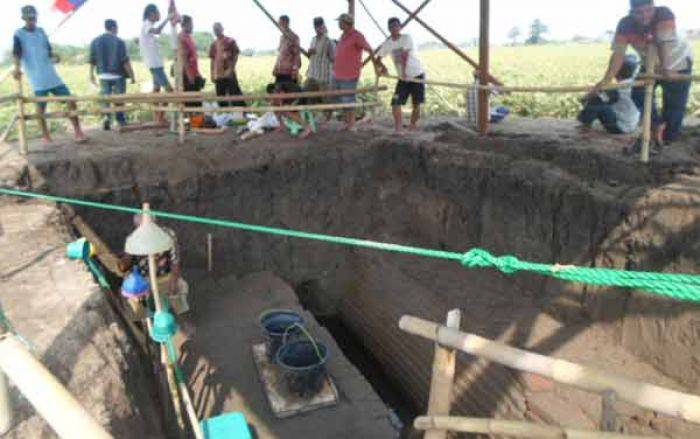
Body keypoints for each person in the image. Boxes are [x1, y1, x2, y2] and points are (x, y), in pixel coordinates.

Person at [592, 0, 693, 150]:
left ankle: (666, 143)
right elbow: (619, 54)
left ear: (654, 7)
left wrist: (667, 69)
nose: (645, 16)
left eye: (648, 11)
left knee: (674, 106)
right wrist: (606, 80)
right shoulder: (625, 24)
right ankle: (655, 127)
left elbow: (663, 44)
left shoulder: (663, 14)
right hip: (649, 64)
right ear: (631, 12)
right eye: (639, 12)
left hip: (678, 63)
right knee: (638, 93)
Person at [13, 5, 86, 143]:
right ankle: (45, 135)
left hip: (52, 76)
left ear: (36, 17)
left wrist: (55, 57)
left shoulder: (41, 32)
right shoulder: (19, 34)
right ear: (23, 18)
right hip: (37, 78)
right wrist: (17, 68)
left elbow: (48, 51)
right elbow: (17, 54)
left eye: (33, 17)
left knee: (70, 101)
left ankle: (78, 131)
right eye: (29, 18)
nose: (32, 20)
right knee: (40, 108)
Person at [376, 17, 426, 134]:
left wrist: (404, 73)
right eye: (391, 26)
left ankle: (412, 125)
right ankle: (398, 128)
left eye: (396, 26)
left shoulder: (407, 38)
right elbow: (378, 58)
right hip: (402, 78)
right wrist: (383, 67)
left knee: (416, 103)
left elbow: (404, 56)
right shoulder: (388, 43)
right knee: (395, 102)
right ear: (389, 29)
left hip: (416, 74)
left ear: (400, 27)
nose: (394, 28)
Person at [333, 13, 379, 131]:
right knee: (343, 99)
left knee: (349, 99)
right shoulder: (342, 36)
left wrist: (375, 66)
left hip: (349, 74)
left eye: (340, 22)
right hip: (338, 73)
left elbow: (369, 49)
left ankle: (352, 124)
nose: (339, 24)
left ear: (347, 23)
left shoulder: (357, 36)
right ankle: (346, 122)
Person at [89, 19, 135, 131]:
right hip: (118, 74)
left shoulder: (95, 41)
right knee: (119, 98)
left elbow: (92, 61)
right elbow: (125, 61)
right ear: (114, 27)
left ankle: (106, 118)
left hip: (102, 75)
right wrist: (132, 75)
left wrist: (91, 75)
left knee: (106, 98)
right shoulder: (119, 42)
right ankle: (120, 120)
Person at [579, 55, 641, 135]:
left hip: (620, 127)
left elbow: (596, 98)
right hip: (631, 124)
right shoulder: (636, 83)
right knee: (602, 99)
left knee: (596, 101)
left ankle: (585, 127)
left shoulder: (617, 88)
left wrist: (586, 97)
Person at [140, 3, 174, 124]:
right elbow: (158, 30)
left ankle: (157, 116)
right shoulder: (146, 25)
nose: (158, 15)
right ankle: (160, 116)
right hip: (154, 64)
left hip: (155, 63)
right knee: (170, 90)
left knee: (156, 89)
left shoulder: (146, 25)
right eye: (157, 13)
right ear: (151, 14)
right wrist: (167, 18)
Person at [305, 17, 335, 118]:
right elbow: (309, 56)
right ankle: (310, 116)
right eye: (316, 26)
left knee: (326, 98)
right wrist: (309, 52)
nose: (318, 29)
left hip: (324, 75)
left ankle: (328, 117)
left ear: (323, 26)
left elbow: (334, 58)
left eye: (319, 26)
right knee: (306, 94)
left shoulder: (328, 41)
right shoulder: (313, 39)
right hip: (312, 73)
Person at [209, 22, 245, 107]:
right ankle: (224, 116)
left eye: (218, 29)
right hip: (218, 75)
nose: (216, 31)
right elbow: (212, 60)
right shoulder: (213, 45)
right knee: (221, 98)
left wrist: (231, 69)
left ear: (222, 29)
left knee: (235, 96)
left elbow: (236, 55)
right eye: (215, 29)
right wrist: (211, 74)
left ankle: (242, 114)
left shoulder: (230, 41)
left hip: (229, 73)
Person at [179, 15, 203, 95]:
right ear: (186, 24)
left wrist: (197, 72)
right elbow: (184, 58)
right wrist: (189, 74)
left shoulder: (189, 37)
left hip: (194, 72)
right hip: (188, 74)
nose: (192, 26)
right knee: (192, 100)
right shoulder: (182, 37)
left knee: (197, 99)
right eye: (191, 24)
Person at [273, 15, 301, 84]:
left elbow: (296, 56)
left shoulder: (294, 37)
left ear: (286, 23)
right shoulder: (282, 38)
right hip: (280, 72)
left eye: (280, 23)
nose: (279, 26)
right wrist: (275, 67)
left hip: (289, 73)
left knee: (289, 93)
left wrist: (294, 72)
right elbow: (280, 55)